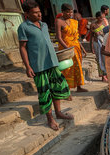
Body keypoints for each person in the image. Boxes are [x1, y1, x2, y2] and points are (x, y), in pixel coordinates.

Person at [18, 0, 73, 130]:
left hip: (53, 63)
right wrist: (28, 66)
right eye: (35, 13)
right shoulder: (23, 27)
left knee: (57, 88)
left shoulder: (44, 25)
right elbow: (22, 48)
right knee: (45, 93)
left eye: (39, 12)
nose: (39, 15)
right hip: (39, 65)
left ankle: (58, 112)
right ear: (27, 14)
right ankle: (50, 119)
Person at [56, 3, 88, 95]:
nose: (69, 14)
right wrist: (67, 48)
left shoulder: (74, 21)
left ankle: (79, 87)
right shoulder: (59, 21)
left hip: (76, 47)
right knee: (67, 68)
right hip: (66, 48)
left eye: (71, 12)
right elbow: (59, 38)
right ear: (62, 12)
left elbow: (76, 37)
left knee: (77, 66)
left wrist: (83, 49)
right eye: (67, 12)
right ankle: (67, 90)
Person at [90, 11, 107, 81]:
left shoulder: (104, 24)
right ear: (97, 18)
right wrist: (91, 47)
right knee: (99, 59)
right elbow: (91, 37)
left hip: (104, 43)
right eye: (100, 17)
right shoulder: (93, 25)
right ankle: (103, 76)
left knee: (105, 59)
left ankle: (107, 74)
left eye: (103, 17)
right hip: (97, 44)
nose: (102, 18)